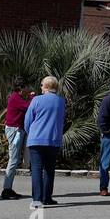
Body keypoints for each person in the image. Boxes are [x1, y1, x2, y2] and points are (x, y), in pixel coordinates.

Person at [25, 75, 66, 208]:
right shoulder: (61, 101)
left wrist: (30, 132)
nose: (41, 87)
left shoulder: (36, 100)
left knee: (37, 169)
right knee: (49, 169)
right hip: (53, 139)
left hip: (36, 138)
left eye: (42, 85)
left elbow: (28, 120)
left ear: (47, 86)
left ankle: (37, 200)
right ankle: (47, 197)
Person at [1, 78, 32, 200]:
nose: (28, 90)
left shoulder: (17, 97)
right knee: (13, 160)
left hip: (18, 130)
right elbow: (28, 106)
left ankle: (8, 188)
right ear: (21, 88)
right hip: (14, 131)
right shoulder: (15, 98)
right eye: (26, 88)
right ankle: (6, 190)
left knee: (15, 160)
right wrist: (32, 97)